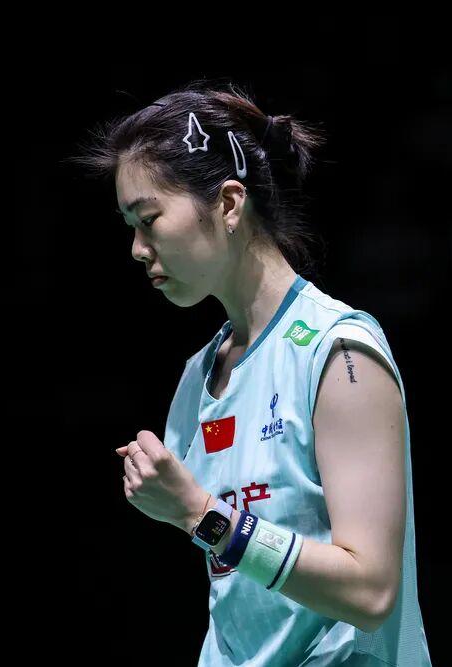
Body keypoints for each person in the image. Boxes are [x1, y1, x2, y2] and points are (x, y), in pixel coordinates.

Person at [73, 81, 433, 666]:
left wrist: (199, 514)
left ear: (228, 204)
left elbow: (370, 592)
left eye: (150, 219)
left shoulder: (338, 354)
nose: (137, 248)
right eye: (129, 226)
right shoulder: (197, 380)